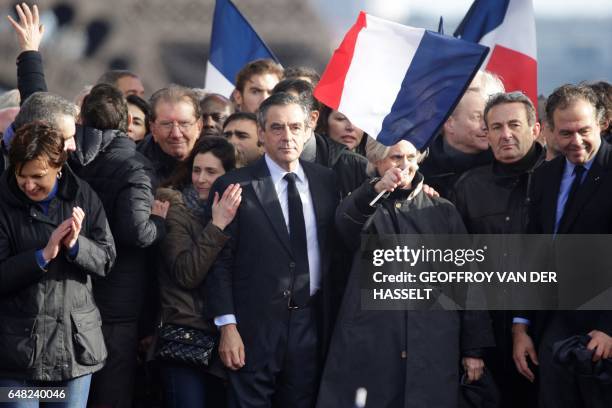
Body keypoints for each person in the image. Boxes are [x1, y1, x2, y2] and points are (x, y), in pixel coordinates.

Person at [317, 137, 494, 407]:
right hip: (374, 341)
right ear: (377, 162)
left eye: (411, 157)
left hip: (433, 340)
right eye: (396, 158)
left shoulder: (442, 210)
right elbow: (346, 225)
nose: (405, 165)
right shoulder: (365, 206)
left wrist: (474, 348)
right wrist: (374, 191)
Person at [206, 93, 338, 407]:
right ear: (262, 134)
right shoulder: (233, 185)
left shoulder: (326, 180)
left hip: (310, 324)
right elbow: (218, 262)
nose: (287, 136)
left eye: (295, 126)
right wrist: (227, 326)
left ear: (309, 131)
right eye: (277, 128)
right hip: (253, 330)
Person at [0, 122, 116, 407]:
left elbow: (107, 260)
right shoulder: (3, 204)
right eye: (20, 175)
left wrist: (76, 246)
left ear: (59, 167)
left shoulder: (84, 195)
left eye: (38, 176)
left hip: (73, 353)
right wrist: (44, 255)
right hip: (16, 356)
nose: (28, 184)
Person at [69, 83, 169, 408]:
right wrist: (161, 223)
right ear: (127, 123)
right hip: (120, 301)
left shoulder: (70, 161)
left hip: (75, 288)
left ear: (82, 119)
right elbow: (137, 232)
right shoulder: (134, 165)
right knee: (112, 391)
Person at [513, 84, 612, 408]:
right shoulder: (545, 176)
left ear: (603, 123)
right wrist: (521, 325)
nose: (576, 141)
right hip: (553, 325)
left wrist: (608, 328)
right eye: (565, 133)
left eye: (584, 130)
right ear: (551, 131)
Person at [452, 91, 544, 408]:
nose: (506, 135)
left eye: (514, 125)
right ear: (487, 134)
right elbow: (459, 270)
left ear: (536, 129)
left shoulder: (558, 178)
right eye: (496, 127)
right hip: (488, 335)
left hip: (546, 331)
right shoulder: (468, 186)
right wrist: (472, 346)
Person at [156, 137, 241, 407]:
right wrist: (216, 226)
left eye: (211, 171)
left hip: (231, 340)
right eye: (196, 169)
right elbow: (186, 273)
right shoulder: (177, 211)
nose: (201, 179)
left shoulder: (243, 213)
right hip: (187, 336)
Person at [272, 78, 367, 198]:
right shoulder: (260, 163)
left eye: (292, 107)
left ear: (313, 118)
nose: (285, 115)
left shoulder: (354, 166)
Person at [420, 70, 505, 198]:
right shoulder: (415, 169)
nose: (486, 125)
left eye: (490, 117)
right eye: (477, 117)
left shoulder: (506, 168)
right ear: (449, 123)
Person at [137, 85, 203, 185]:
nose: (176, 134)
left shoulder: (218, 159)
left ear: (199, 127)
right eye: (167, 124)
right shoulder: (134, 168)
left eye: (184, 123)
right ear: (153, 129)